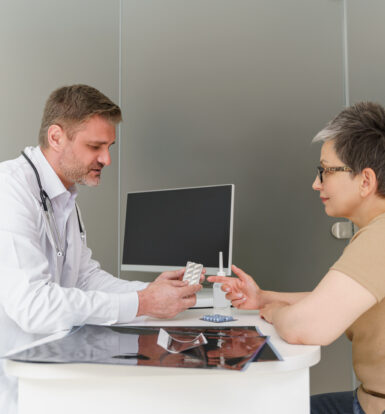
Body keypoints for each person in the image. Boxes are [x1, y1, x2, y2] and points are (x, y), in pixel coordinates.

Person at [208, 102, 385, 414]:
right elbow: (339, 301)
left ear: (365, 181)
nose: (316, 183)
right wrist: (263, 298)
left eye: (326, 171)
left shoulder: (380, 237)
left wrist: (275, 312)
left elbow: (308, 327)